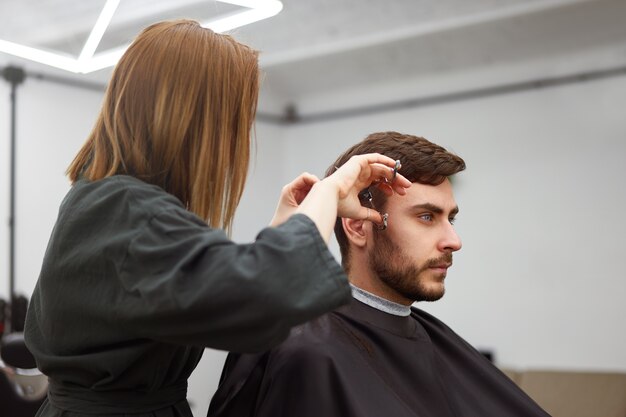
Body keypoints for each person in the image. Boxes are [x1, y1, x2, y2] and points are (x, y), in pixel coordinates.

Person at [23, 21, 411, 417]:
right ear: (197, 120)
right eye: (237, 120)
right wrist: (330, 192)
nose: (239, 137)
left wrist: (286, 222)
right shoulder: (123, 209)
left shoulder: (104, 199)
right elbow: (267, 294)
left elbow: (224, 295)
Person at [207, 131, 550, 417]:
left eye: (451, 219)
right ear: (357, 226)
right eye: (427, 217)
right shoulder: (308, 352)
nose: (454, 241)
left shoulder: (429, 338)